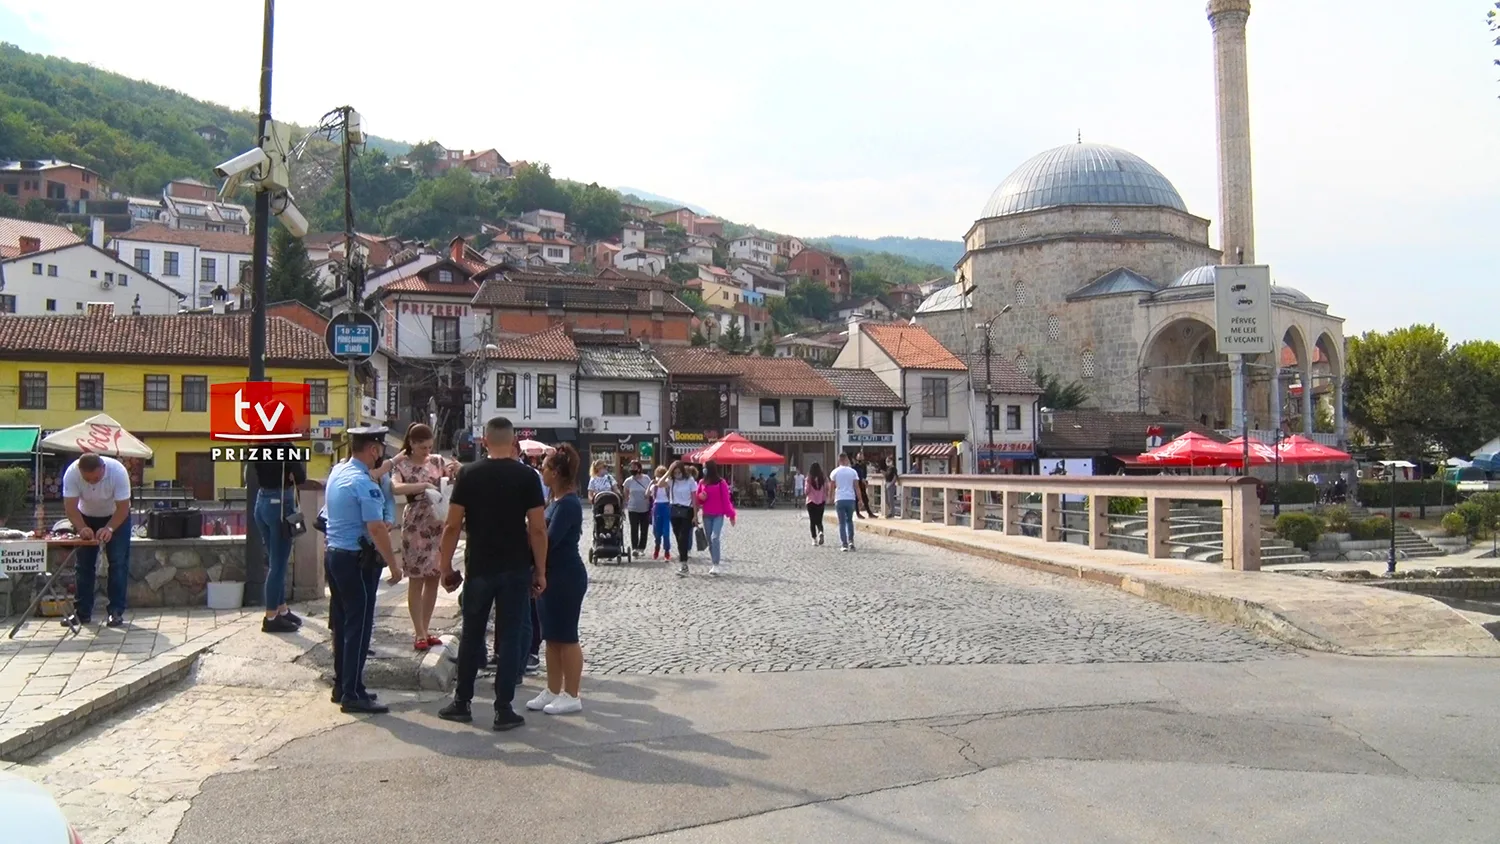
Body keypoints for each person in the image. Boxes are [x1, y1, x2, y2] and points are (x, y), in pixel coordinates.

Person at [437, 417, 547, 731]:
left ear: (484, 441)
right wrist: (540, 570)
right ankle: (503, 708)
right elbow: (538, 529)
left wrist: (445, 567)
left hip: (479, 566)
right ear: (513, 443)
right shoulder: (527, 477)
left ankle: (462, 702)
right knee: (511, 637)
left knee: (472, 634)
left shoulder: (468, 474)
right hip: (515, 567)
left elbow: (452, 525)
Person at [323, 427, 403, 714]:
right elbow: (376, 527)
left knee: (343, 623)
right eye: (379, 450)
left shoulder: (338, 471)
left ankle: (343, 685)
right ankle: (353, 693)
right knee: (359, 627)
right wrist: (393, 565)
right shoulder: (362, 482)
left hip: (335, 555)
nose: (380, 455)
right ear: (373, 450)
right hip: (356, 561)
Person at [527, 444, 588, 715]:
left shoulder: (569, 504)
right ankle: (552, 689)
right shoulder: (555, 501)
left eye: (545, 468)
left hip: (566, 576)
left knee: (567, 636)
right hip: (551, 574)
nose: (542, 472)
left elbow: (549, 540)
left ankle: (572, 694)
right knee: (551, 636)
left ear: (557, 472)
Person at [390, 423, 456, 652]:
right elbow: (396, 487)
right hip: (416, 523)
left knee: (433, 578)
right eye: (422, 447)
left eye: (429, 447)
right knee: (416, 578)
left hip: (437, 522)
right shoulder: (402, 463)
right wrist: (424, 485)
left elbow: (450, 480)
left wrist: (454, 472)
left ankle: (426, 629)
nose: (427, 451)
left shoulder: (437, 461)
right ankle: (418, 631)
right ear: (412, 443)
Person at [60, 453, 133, 628]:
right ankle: (81, 612)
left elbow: (123, 508)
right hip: (85, 516)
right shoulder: (71, 473)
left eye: (96, 478)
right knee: (83, 565)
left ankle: (115, 612)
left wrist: (109, 528)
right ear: (80, 471)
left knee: (118, 563)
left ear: (103, 469)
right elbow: (70, 507)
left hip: (116, 516)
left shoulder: (118, 472)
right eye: (87, 479)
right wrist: (81, 527)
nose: (92, 482)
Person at [248, 450, 307, 634]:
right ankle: (271, 617)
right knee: (278, 565)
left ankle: (282, 609)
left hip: (262, 502)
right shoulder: (285, 446)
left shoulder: (259, 443)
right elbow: (301, 476)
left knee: (275, 561)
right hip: (280, 504)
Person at [696, 461, 737, 576]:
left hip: (718, 515)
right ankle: (714, 561)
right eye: (703, 468)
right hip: (706, 515)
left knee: (715, 538)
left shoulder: (721, 483)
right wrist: (700, 497)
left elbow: (726, 501)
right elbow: (698, 499)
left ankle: (716, 564)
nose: (703, 470)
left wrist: (731, 515)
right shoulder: (702, 482)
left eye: (705, 467)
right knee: (709, 540)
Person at [666, 461, 699, 575]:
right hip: (674, 511)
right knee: (678, 537)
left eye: (679, 472)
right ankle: (683, 563)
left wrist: (695, 515)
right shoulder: (672, 480)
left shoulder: (690, 480)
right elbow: (660, 484)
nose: (677, 474)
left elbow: (694, 499)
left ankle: (684, 564)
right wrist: (668, 471)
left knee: (683, 537)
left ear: (683, 471)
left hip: (687, 511)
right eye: (675, 473)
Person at [829, 454, 861, 552]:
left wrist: (830, 497)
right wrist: (860, 499)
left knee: (842, 522)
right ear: (847, 460)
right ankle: (851, 541)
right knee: (849, 520)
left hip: (839, 498)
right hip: (850, 498)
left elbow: (832, 487)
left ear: (839, 460)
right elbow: (856, 487)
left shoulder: (835, 472)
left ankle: (844, 544)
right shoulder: (853, 472)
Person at [621, 460, 653, 554]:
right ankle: (634, 548)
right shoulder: (628, 481)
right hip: (633, 508)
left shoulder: (646, 478)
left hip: (645, 508)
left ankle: (641, 548)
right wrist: (625, 505)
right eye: (631, 467)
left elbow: (651, 490)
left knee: (644, 529)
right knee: (634, 529)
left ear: (639, 468)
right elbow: (625, 494)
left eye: (634, 467)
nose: (632, 469)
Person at [650, 465, 673, 560]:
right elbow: (647, 494)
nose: (659, 477)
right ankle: (657, 547)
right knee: (657, 531)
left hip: (666, 506)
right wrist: (651, 484)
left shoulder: (668, 484)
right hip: (657, 507)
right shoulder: (654, 486)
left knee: (666, 530)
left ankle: (667, 550)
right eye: (658, 475)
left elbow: (664, 484)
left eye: (661, 475)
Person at [805, 462, 827, 546]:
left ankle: (814, 539)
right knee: (819, 520)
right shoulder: (823, 478)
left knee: (812, 521)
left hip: (811, 501)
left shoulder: (809, 478)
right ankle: (820, 531)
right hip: (821, 501)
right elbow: (827, 488)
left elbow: (806, 490)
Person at [853, 451, 878, 519]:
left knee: (865, 499)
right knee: (857, 499)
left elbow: (865, 475)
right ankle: (858, 513)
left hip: (862, 484)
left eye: (862, 457)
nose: (861, 458)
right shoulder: (854, 466)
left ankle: (869, 513)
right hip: (857, 483)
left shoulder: (864, 466)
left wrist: (865, 481)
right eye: (859, 457)